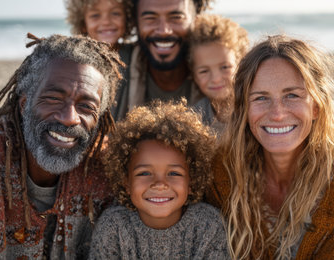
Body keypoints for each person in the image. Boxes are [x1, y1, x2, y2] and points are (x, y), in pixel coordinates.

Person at [0, 34, 125, 259]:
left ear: (100, 118)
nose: (69, 118)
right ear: (24, 104)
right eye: (53, 98)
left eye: (86, 106)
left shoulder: (110, 170)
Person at [207, 35, 334, 259]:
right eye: (261, 98)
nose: (278, 114)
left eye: (292, 95)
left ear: (317, 106)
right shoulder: (223, 170)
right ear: (244, 109)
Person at [89, 100, 229, 259]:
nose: (160, 184)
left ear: (192, 181)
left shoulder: (208, 224)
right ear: (126, 182)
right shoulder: (113, 226)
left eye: (174, 173)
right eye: (144, 173)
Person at [111, 0, 214, 121]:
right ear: (135, 23)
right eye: (150, 18)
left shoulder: (221, 70)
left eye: (176, 17)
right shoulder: (114, 67)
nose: (164, 30)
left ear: (197, 20)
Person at [189, 13, 249, 135]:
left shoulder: (253, 109)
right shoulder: (195, 118)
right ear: (193, 75)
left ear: (241, 63)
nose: (216, 79)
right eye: (204, 71)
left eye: (225, 67)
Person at [65, 0, 134, 51]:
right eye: (95, 15)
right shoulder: (75, 60)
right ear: (83, 24)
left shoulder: (139, 55)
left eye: (115, 13)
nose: (106, 22)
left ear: (127, 18)